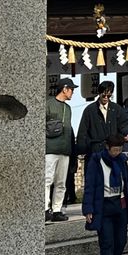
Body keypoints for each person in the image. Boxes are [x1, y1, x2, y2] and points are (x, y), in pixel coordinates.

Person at [82, 133, 128, 255]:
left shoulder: (121, 160)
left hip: (120, 204)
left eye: (119, 150)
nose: (117, 152)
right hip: (104, 205)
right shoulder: (96, 161)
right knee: (107, 241)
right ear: (107, 147)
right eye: (114, 150)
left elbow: (127, 184)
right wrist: (88, 209)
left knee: (121, 240)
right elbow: (90, 186)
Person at [44, 78, 76, 222]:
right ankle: (44, 208)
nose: (72, 92)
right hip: (50, 149)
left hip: (65, 150)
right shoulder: (48, 104)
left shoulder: (68, 108)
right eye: (71, 89)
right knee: (47, 179)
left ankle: (57, 210)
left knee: (61, 182)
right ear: (64, 89)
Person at [78, 80, 128, 156]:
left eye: (109, 96)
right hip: (95, 150)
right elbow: (83, 131)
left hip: (113, 150)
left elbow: (124, 124)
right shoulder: (90, 110)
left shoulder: (116, 108)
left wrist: (126, 133)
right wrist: (82, 149)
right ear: (99, 94)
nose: (106, 98)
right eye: (103, 95)